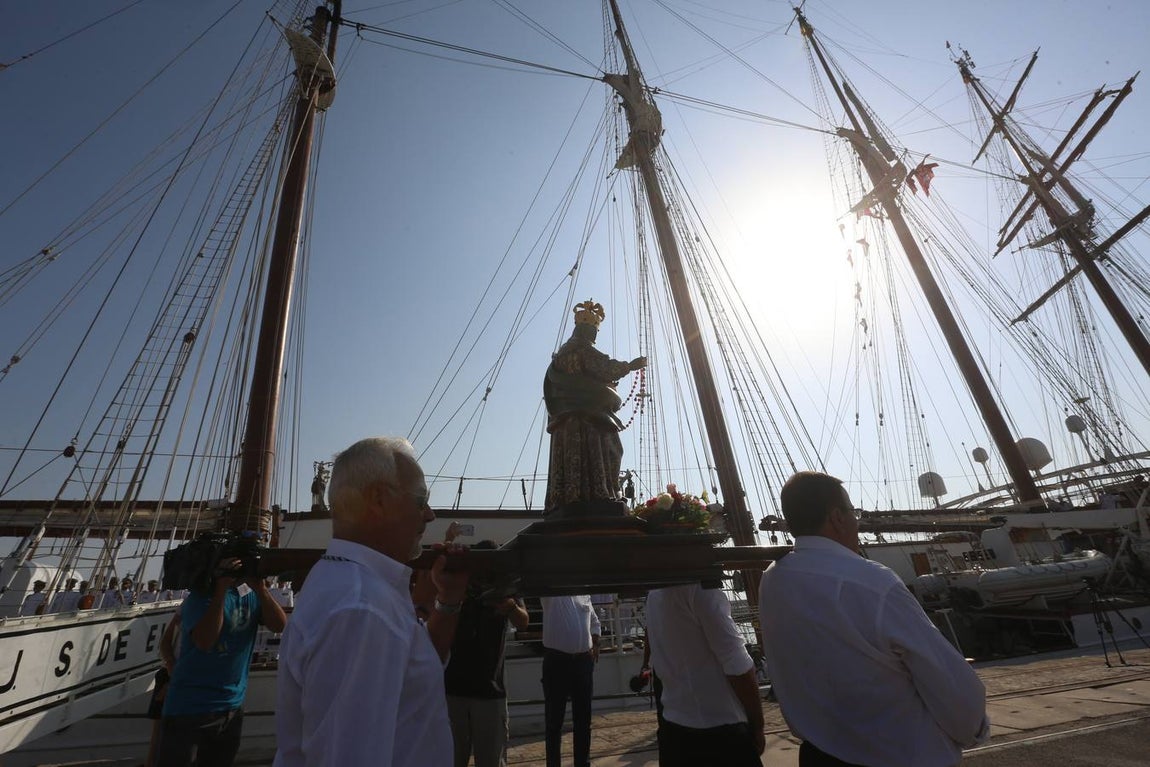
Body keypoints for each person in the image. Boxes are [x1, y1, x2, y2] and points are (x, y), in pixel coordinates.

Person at [758, 471, 989, 767]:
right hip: (900, 754)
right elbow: (941, 672)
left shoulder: (773, 580)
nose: (857, 522)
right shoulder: (874, 583)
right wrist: (973, 729)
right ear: (837, 518)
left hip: (820, 754)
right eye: (853, 512)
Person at [274, 436, 468, 767]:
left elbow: (413, 671)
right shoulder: (362, 609)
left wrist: (448, 601)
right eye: (421, 500)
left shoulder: (350, 586)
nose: (430, 515)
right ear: (378, 499)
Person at [157, 552, 287, 766]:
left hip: (231, 708)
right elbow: (205, 641)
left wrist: (261, 588)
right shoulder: (199, 599)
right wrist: (220, 591)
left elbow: (280, 626)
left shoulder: (250, 595)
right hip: (189, 709)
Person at [645, 583, 765, 766]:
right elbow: (738, 667)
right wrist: (757, 724)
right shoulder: (701, 589)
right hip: (719, 733)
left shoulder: (654, 595)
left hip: (674, 729)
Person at [543, 300, 646, 515]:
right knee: (610, 451)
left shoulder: (562, 354)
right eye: (594, 332)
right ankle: (599, 494)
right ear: (587, 330)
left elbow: (580, 378)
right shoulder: (584, 350)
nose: (595, 337)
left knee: (570, 458)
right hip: (589, 417)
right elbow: (606, 369)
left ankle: (567, 497)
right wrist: (631, 365)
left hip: (565, 418)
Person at [442, 539, 530, 767]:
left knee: (490, 760)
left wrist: (509, 606)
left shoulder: (505, 587)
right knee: (451, 759)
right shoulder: (461, 584)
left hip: (489, 690)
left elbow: (523, 622)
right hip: (454, 689)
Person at [540, 594, 600, 767]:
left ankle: (583, 764)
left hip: (583, 662)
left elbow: (594, 621)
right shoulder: (552, 595)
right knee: (554, 722)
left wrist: (595, 642)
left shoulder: (584, 594)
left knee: (583, 721)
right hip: (557, 661)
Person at [145, 610, 182, 767]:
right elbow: (165, 644)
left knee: (164, 731)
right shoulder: (191, 605)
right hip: (173, 675)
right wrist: (172, 678)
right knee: (161, 730)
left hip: (174, 674)